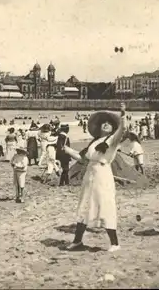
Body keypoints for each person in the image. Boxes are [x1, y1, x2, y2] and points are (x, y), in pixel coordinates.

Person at [63, 104, 127, 252]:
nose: (106, 124)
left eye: (109, 123)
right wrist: (66, 150)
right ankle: (77, 241)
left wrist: (123, 114)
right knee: (85, 205)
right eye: (103, 123)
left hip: (103, 174)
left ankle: (115, 243)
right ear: (98, 127)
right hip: (90, 174)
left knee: (104, 205)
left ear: (112, 128)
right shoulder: (94, 143)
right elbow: (82, 158)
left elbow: (122, 130)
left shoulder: (112, 141)